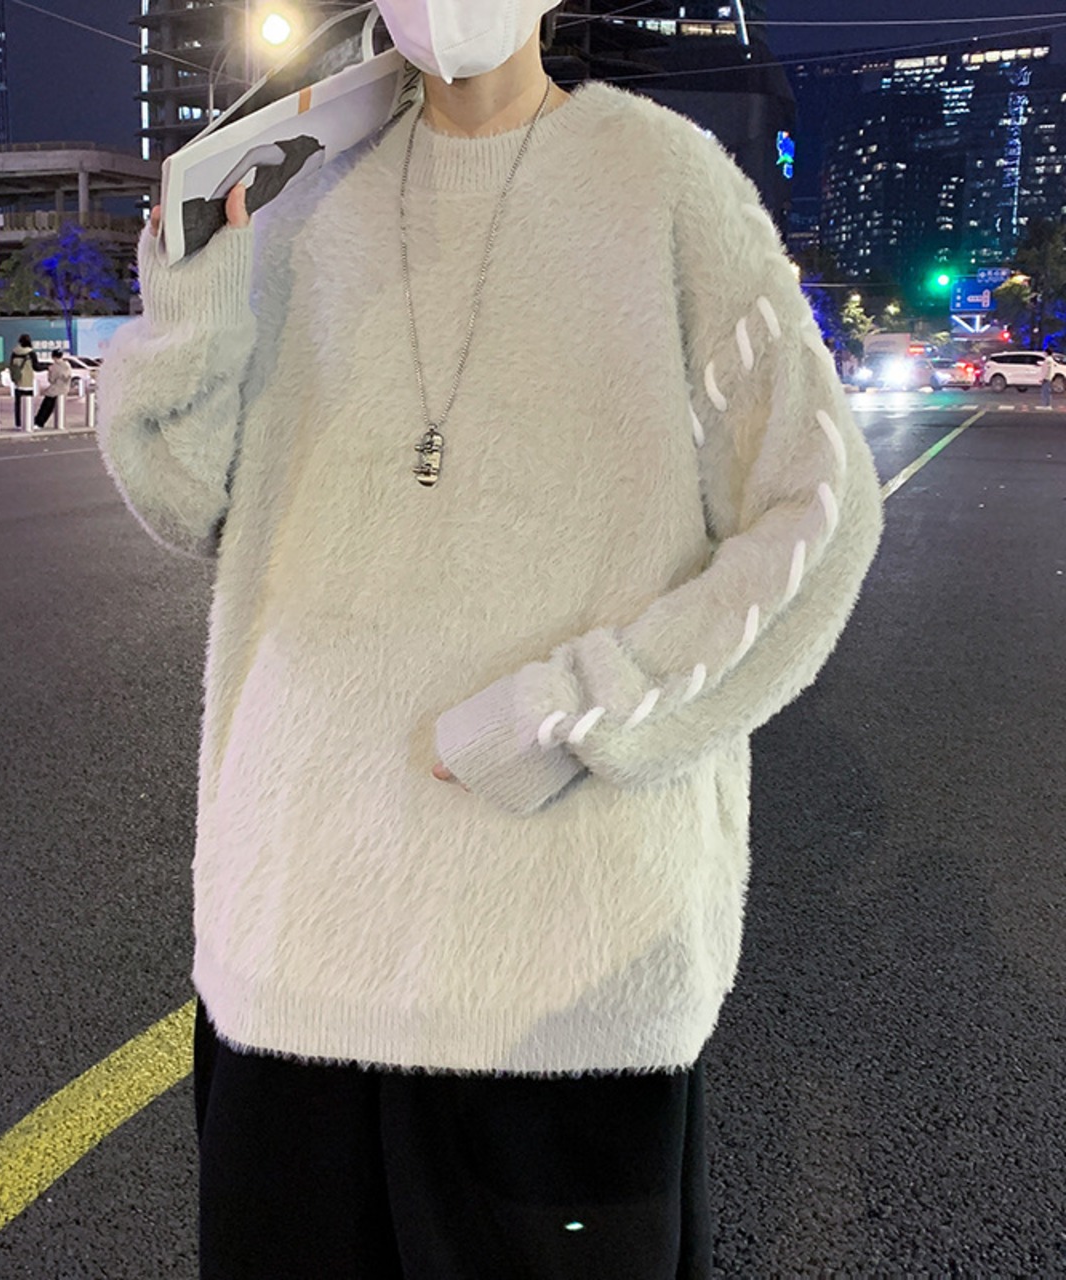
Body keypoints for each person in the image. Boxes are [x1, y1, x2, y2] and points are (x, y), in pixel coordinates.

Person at [98, 1, 884, 1275]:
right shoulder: (298, 195)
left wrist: (579, 708)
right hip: (295, 940)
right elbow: (186, 500)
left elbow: (817, 511)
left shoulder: (661, 180)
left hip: (558, 969)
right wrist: (189, 294)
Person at [8, 334, 42, 429]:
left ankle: (18, 423)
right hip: (27, 382)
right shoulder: (31, 353)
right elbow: (36, 367)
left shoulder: (14, 352)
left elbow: (11, 366)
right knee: (28, 403)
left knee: (18, 404)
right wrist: (47, 367)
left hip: (17, 381)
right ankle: (27, 422)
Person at [33, 349, 73, 428]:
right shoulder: (67, 365)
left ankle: (39, 422)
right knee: (54, 406)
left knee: (46, 407)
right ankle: (57, 424)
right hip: (65, 389)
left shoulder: (54, 367)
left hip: (55, 390)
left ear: (53, 357)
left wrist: (49, 373)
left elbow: (51, 380)